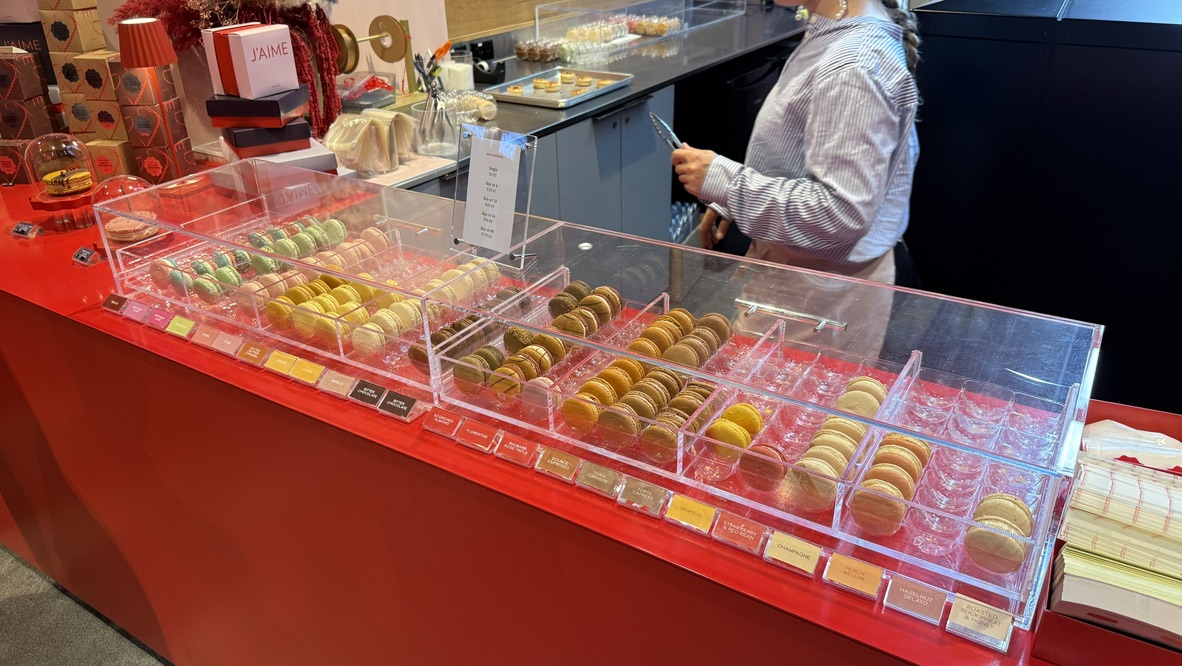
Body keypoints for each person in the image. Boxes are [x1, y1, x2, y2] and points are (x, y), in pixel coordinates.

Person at [673, 0, 921, 288]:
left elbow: (840, 213)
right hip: (809, 277)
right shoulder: (835, 30)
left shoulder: (854, 64)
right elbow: (804, 157)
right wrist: (740, 204)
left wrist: (728, 183)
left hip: (825, 292)